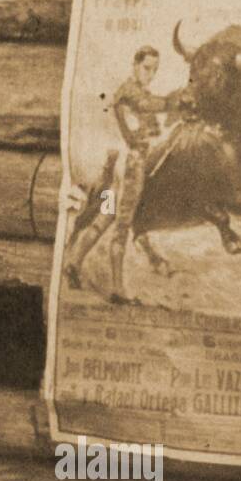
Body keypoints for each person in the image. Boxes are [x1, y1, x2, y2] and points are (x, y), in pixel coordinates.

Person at [64, 46, 170, 300]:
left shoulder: (134, 92)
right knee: (121, 226)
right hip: (132, 168)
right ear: (135, 65)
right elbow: (142, 127)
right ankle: (117, 289)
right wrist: (173, 102)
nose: (151, 74)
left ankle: (74, 262)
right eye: (147, 68)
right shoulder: (132, 92)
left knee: (105, 217)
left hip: (119, 168)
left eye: (155, 69)